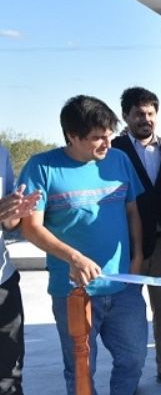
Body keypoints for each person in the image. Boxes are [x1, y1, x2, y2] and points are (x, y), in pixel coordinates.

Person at [19, 95, 149, 395]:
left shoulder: (119, 160)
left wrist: (138, 256)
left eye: (109, 135)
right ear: (72, 136)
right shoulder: (42, 168)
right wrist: (74, 258)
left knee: (134, 358)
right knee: (80, 369)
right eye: (97, 138)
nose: (107, 144)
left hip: (123, 286)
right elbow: (31, 228)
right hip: (74, 293)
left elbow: (132, 211)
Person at [110, 87, 161, 389]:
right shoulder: (113, 151)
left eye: (150, 113)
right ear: (125, 116)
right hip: (126, 245)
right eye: (138, 114)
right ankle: (128, 377)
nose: (145, 119)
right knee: (126, 313)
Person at [0, 145, 41, 395]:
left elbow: (6, 221)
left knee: (9, 376)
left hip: (3, 280)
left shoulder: (1, 153)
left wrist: (15, 213)